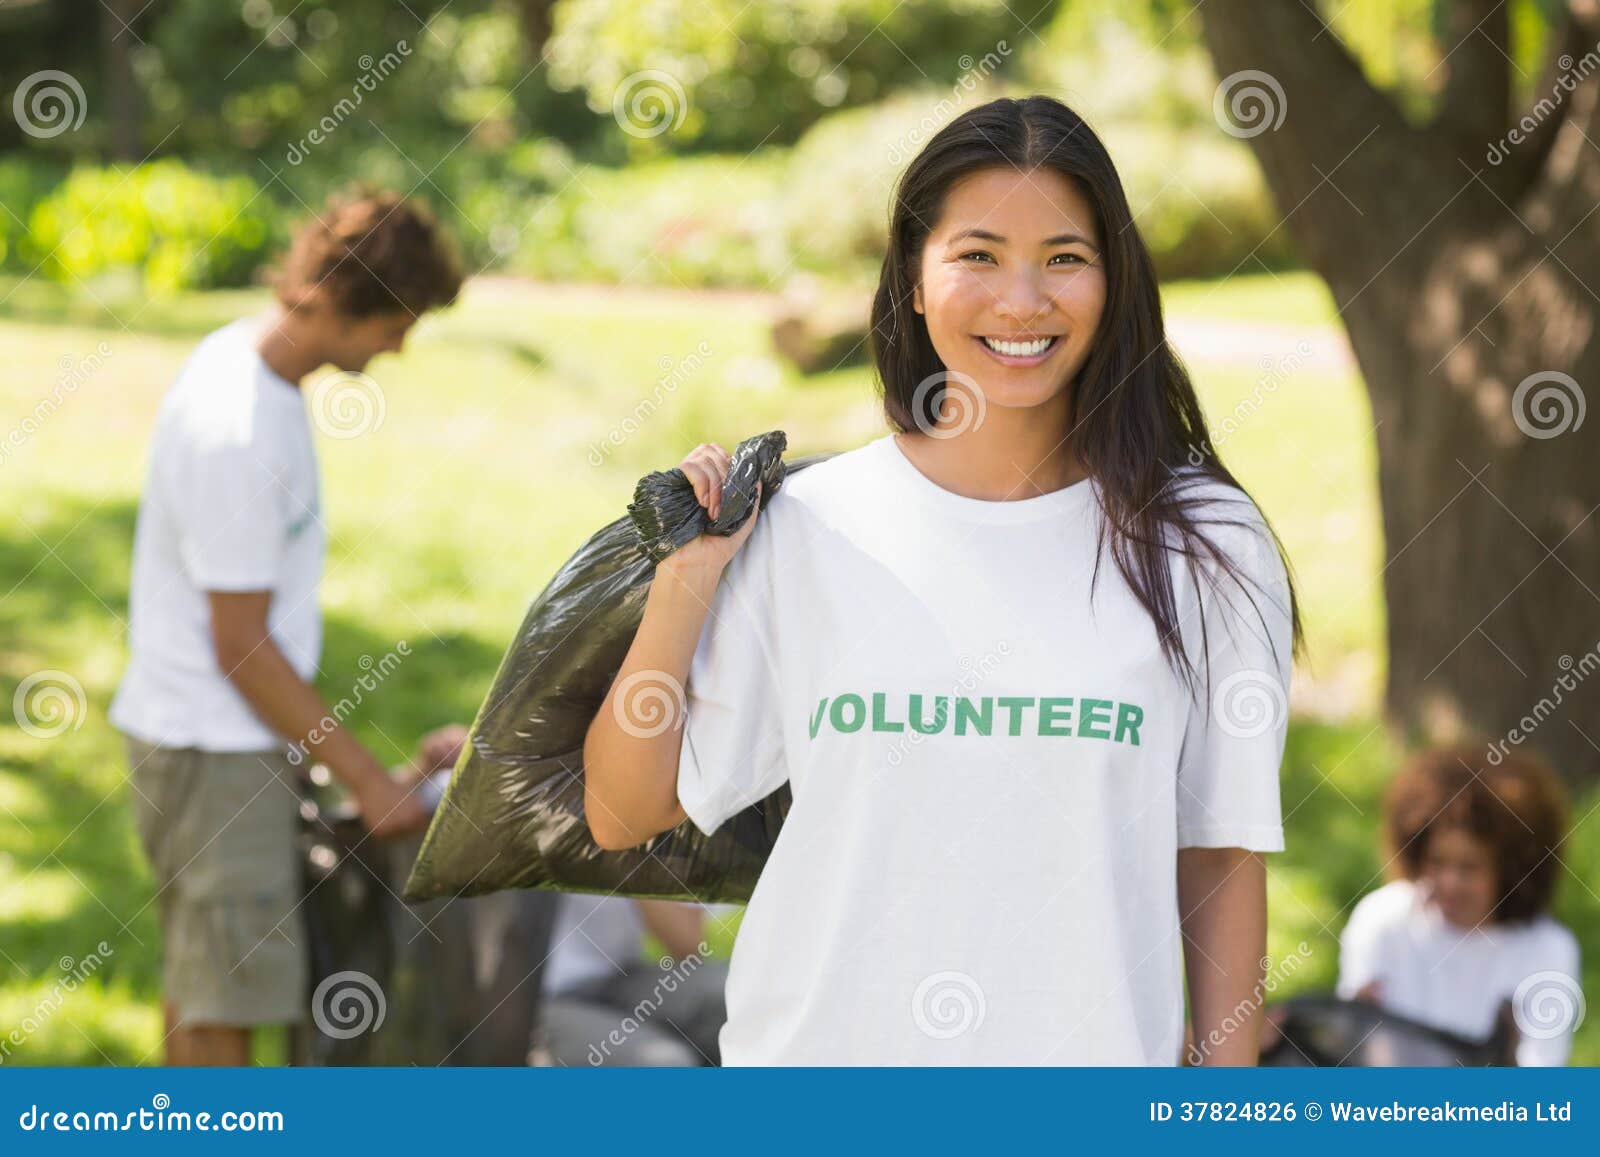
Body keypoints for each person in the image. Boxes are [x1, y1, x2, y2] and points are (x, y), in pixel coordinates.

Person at [582, 95, 1303, 1065]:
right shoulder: (807, 524)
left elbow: (1220, 857)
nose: (1021, 299)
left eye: (1063, 256)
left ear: (1114, 280)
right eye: (977, 255)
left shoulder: (1203, 542)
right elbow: (623, 811)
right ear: (914, 282)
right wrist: (686, 582)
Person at [109, 189, 463, 1066]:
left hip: (212, 742)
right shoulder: (240, 430)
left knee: (207, 984)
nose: (399, 345)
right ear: (350, 303)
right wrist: (370, 781)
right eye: (396, 322)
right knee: (227, 1003)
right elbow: (243, 648)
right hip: (213, 749)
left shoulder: (246, 361)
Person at [1337, 744, 1581, 1065]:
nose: (1449, 882)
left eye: (1469, 868)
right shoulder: (1382, 919)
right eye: (1437, 862)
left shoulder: (1548, 949)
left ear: (1511, 870)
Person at [536, 895, 728, 1066]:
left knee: (732, 997)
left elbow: (687, 943)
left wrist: (638, 867)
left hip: (620, 977)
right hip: (542, 996)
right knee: (666, 1063)